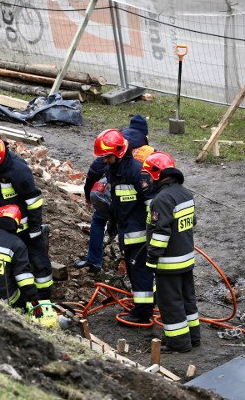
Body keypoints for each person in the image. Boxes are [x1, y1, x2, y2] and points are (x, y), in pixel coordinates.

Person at [0, 138, 53, 299]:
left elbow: (34, 201)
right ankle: (12, 291)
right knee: (8, 260)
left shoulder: (18, 171)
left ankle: (43, 297)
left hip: (25, 228)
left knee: (37, 261)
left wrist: (35, 229)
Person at [74, 115, 154, 272]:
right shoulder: (145, 149)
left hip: (113, 193)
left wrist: (88, 194)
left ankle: (94, 260)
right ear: (146, 135)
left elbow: (94, 170)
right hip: (132, 200)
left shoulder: (116, 139)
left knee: (98, 219)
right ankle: (133, 262)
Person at [93, 128, 154, 325]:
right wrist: (112, 223)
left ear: (118, 153)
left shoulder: (136, 171)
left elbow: (151, 205)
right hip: (126, 232)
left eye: (107, 156)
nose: (104, 160)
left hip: (140, 236)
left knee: (140, 273)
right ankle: (144, 305)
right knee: (134, 272)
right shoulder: (114, 170)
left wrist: (151, 232)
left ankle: (143, 313)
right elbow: (117, 203)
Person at [143, 151, 200, 353]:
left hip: (169, 262)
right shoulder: (186, 194)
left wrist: (151, 259)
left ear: (158, 174)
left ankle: (179, 343)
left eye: (149, 174)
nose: (147, 179)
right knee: (188, 300)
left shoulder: (161, 200)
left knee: (171, 303)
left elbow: (160, 233)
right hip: (186, 259)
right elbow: (190, 223)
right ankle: (193, 338)